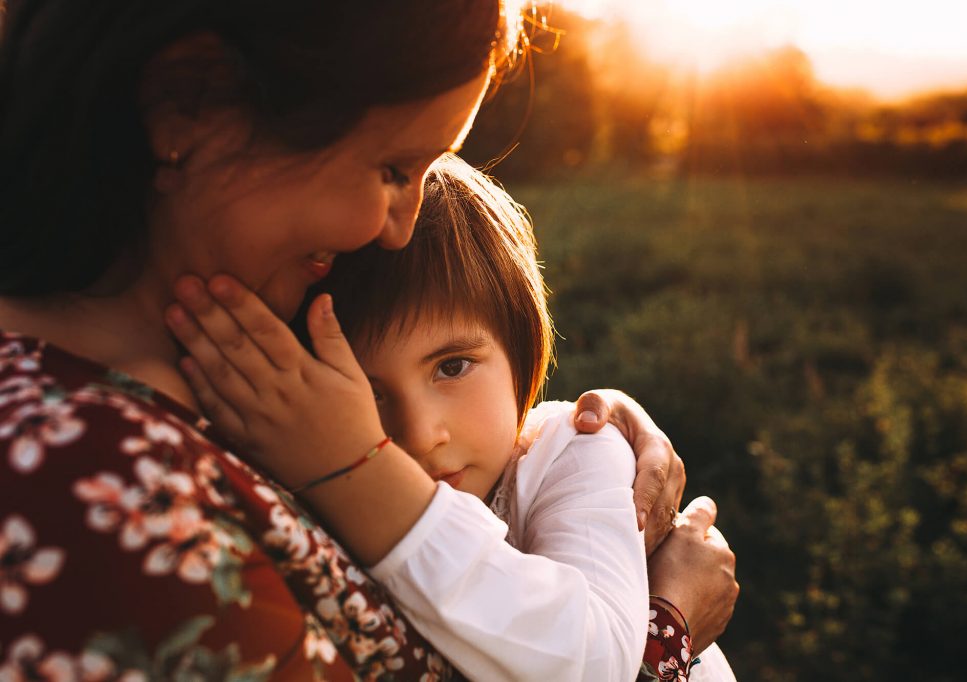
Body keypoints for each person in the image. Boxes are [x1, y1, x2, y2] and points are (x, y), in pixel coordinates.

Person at [0, 1, 737, 680]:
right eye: (391, 169)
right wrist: (665, 638)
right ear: (190, 100)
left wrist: (569, 438)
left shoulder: (248, 384)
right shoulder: (88, 480)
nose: (398, 227)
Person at [167, 153, 737, 681]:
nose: (420, 435)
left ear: (520, 347)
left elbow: (598, 658)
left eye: (453, 366)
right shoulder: (303, 491)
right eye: (365, 393)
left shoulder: (575, 451)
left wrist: (362, 476)